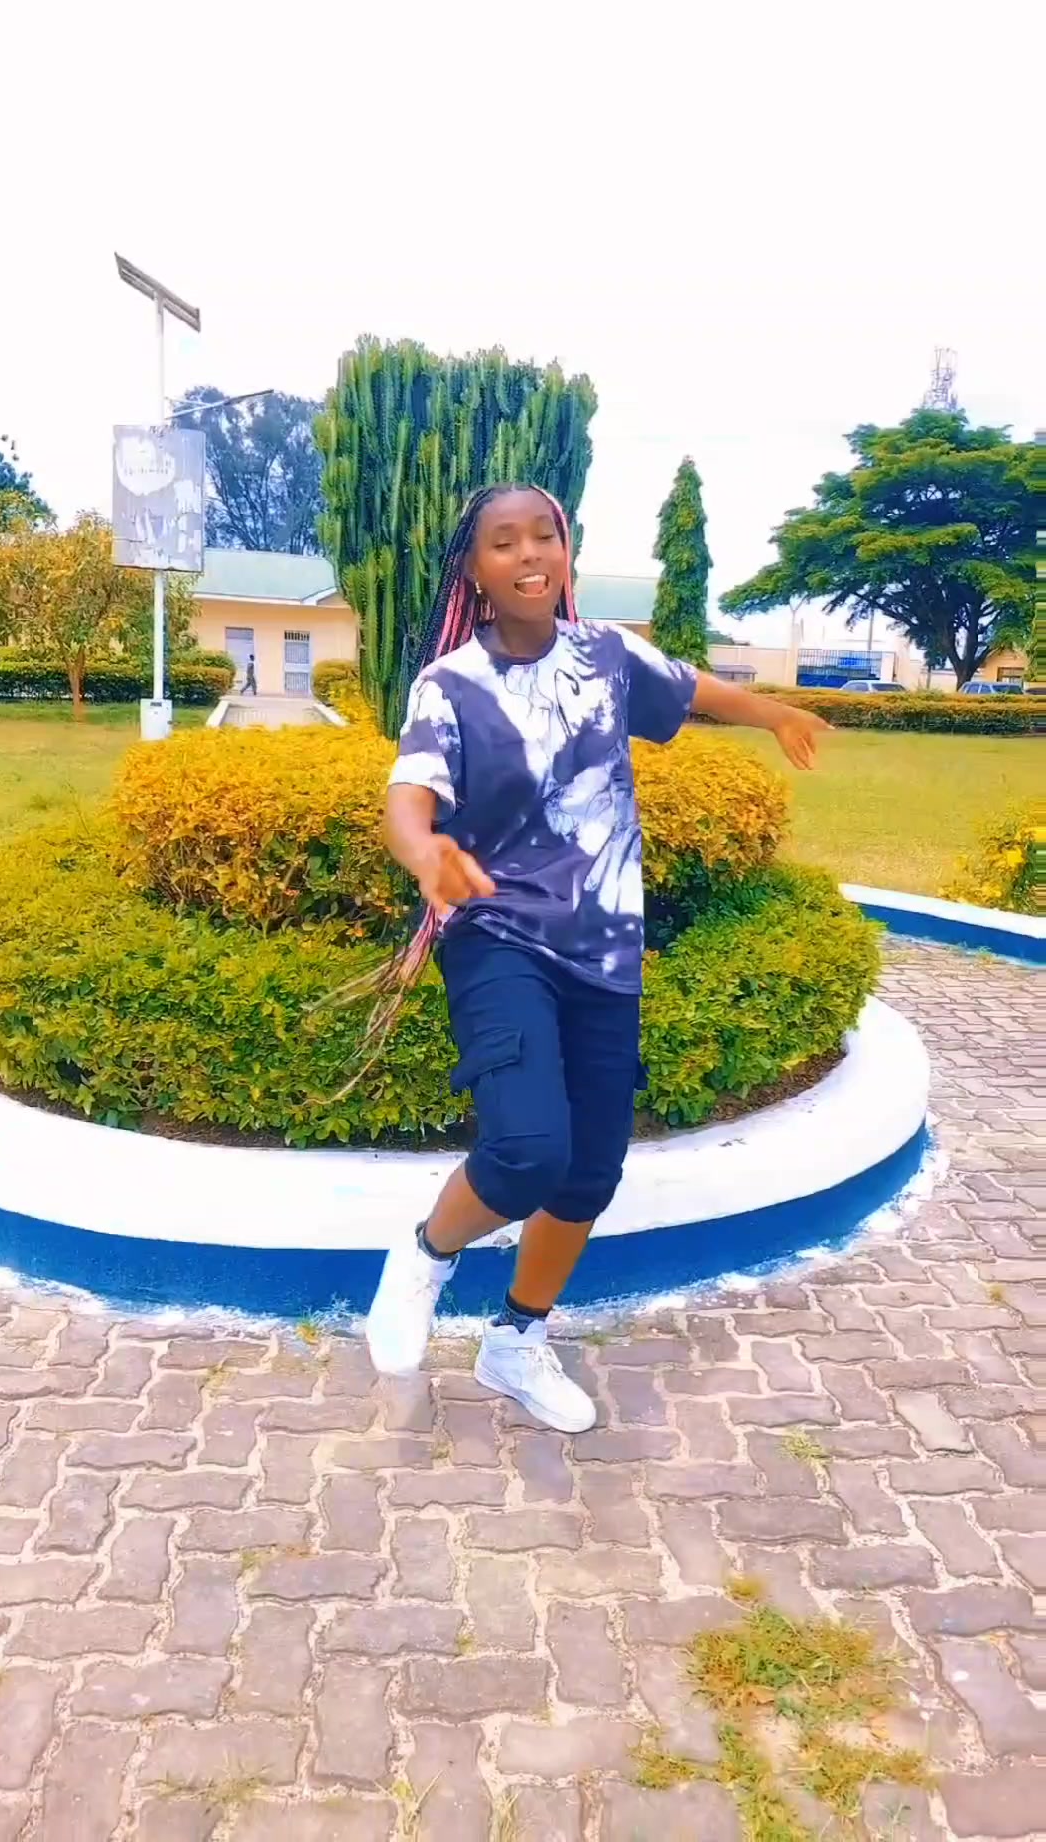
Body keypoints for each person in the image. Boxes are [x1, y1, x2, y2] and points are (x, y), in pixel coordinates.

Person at [365, 483, 829, 1431]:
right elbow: (407, 797)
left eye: (546, 535)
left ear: (566, 550)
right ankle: (425, 1255)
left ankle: (516, 1342)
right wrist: (424, 853)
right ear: (474, 569)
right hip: (500, 936)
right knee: (527, 1151)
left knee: (588, 1174)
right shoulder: (450, 684)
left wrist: (773, 711)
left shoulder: (607, 657)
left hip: (606, 947)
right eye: (505, 542)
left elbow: (693, 690)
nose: (531, 553)